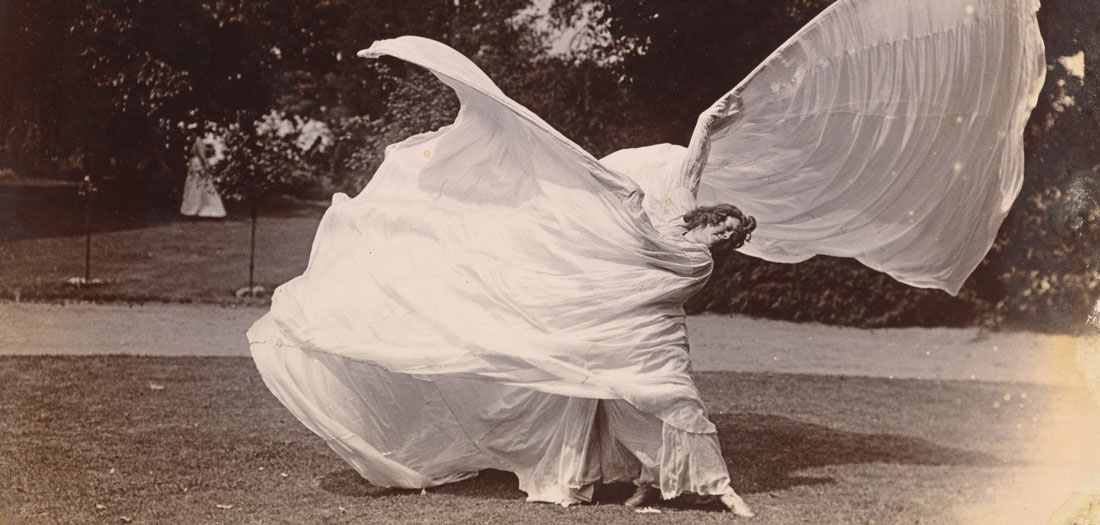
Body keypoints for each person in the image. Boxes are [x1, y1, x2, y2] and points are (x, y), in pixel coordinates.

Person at [249, 0, 1043, 516]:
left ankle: (699, 488)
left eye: (725, 231)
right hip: (622, 326)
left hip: (640, 333)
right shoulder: (670, 225)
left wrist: (711, 141)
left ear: (723, 239)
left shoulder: (690, 255)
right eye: (719, 224)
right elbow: (689, 177)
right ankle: (639, 484)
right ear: (709, 222)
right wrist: (711, 125)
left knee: (652, 399)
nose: (719, 231)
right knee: (608, 398)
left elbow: (676, 246)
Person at [179, 135, 226, 218]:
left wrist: (205, 165)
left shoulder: (198, 141)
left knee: (199, 185)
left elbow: (201, 155)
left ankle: (199, 208)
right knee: (195, 185)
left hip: (197, 164)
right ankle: (194, 208)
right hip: (194, 164)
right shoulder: (196, 141)